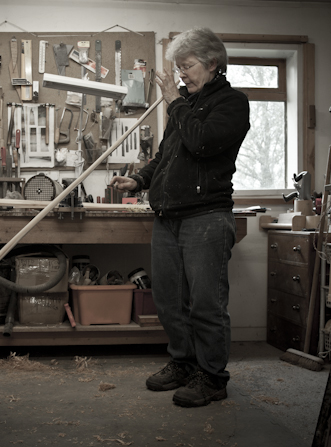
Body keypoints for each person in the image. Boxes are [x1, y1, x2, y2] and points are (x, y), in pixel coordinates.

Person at [110, 27, 250, 407]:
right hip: (168, 218)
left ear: (212, 63)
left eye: (187, 66)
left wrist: (175, 102)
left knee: (206, 305)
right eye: (179, 67)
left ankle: (212, 377)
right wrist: (140, 179)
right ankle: (184, 364)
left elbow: (201, 142)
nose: (181, 74)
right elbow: (166, 155)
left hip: (206, 217)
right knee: (169, 301)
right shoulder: (184, 106)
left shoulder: (232, 103)